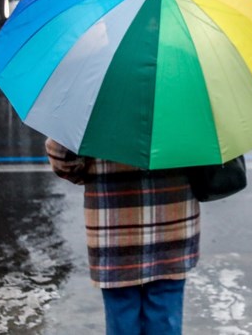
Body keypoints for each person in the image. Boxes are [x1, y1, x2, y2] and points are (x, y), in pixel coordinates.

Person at [46, 139, 199, 335]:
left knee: (121, 314)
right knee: (165, 312)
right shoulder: (184, 108)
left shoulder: (93, 108)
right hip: (172, 224)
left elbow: (62, 158)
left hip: (114, 226)